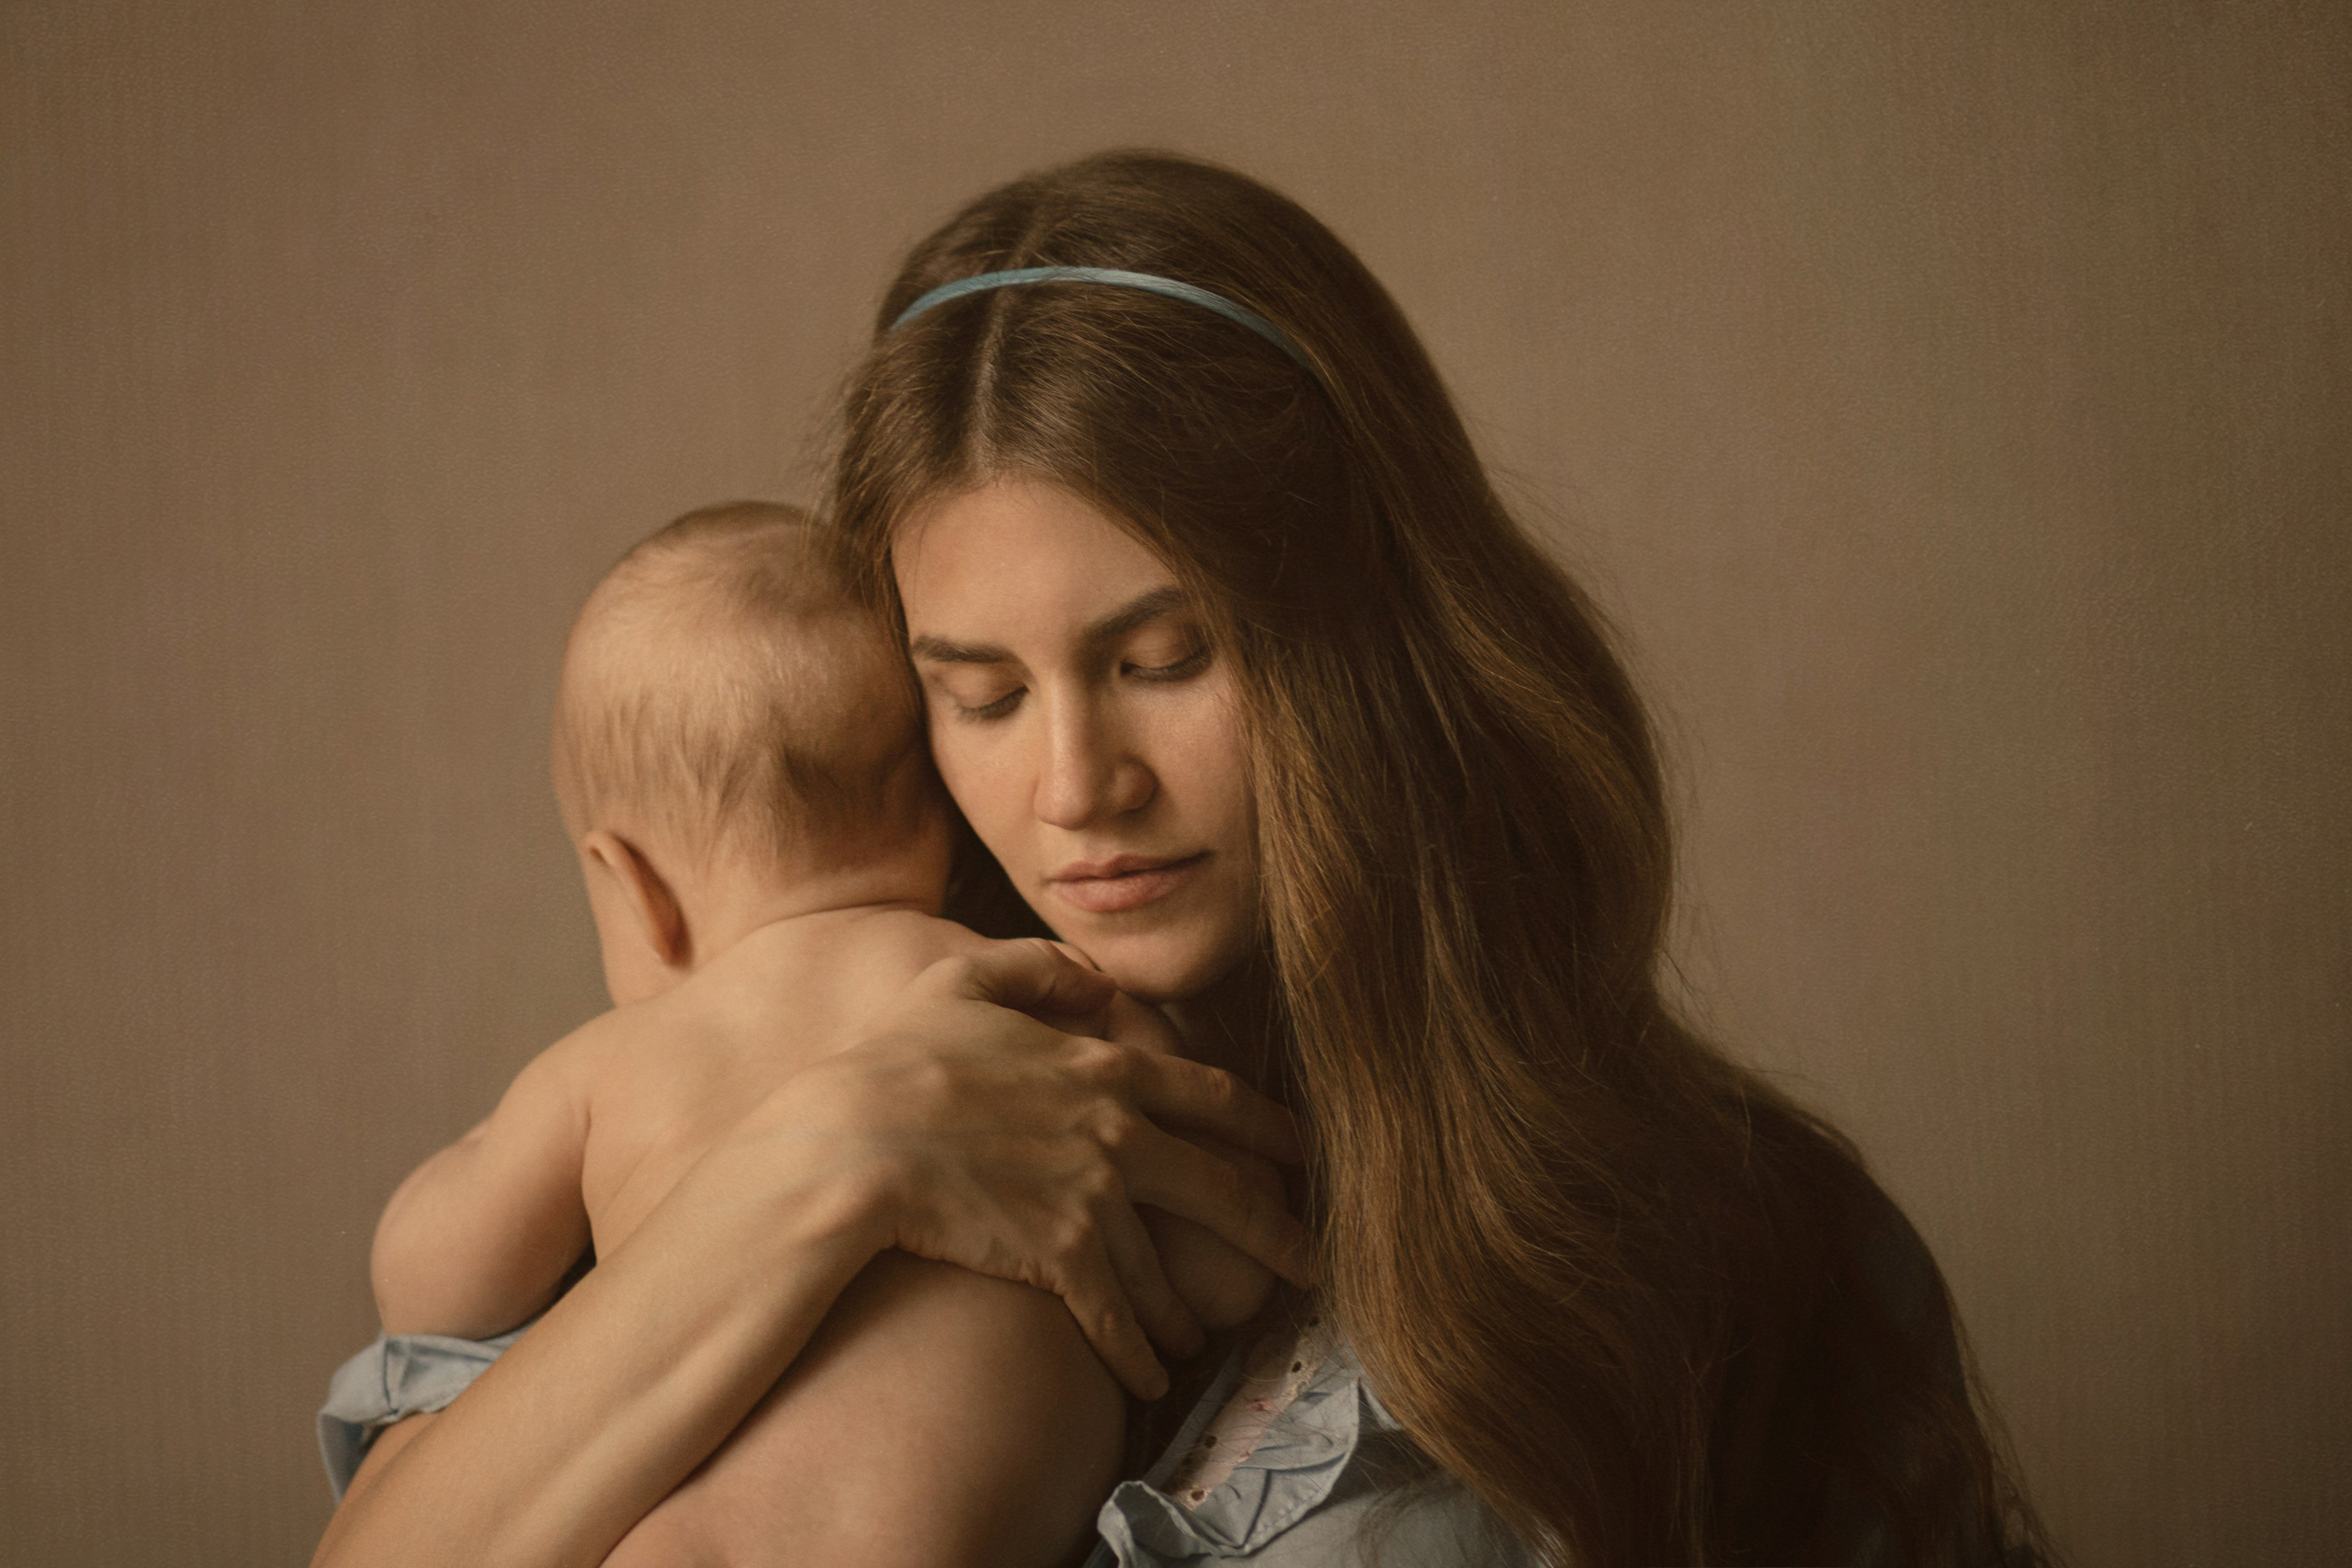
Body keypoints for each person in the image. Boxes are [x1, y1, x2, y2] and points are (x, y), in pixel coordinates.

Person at [312, 151, 2051, 1568]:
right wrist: (830, 1160)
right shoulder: (707, 1137)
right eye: (977, 696)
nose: (1077, 785)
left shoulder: (1746, 1237)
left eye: (1165, 661)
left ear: (1368, 642)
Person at [325, 501, 1290, 1564]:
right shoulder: (1046, 997)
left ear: (631, 885)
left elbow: (434, 1286)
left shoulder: (607, 1067)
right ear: (944, 808)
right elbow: (1225, 1260)